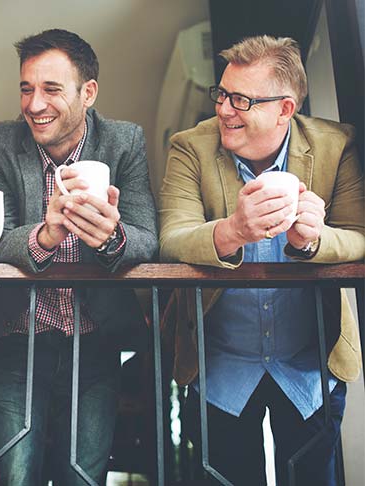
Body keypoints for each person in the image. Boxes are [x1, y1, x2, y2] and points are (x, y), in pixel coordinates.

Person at [0, 29, 158, 485]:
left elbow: (148, 238)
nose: (34, 104)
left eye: (51, 89)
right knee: (13, 476)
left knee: (82, 477)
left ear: (89, 93)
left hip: (96, 337)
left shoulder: (124, 141)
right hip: (15, 336)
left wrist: (111, 237)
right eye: (26, 88)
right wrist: (45, 235)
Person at [158, 35, 364, 485]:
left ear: (285, 109)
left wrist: (313, 240)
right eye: (223, 94)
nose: (225, 109)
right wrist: (233, 231)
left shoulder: (335, 145)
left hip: (309, 371)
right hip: (220, 372)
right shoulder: (189, 147)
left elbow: (358, 236)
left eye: (242, 99)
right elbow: (171, 238)